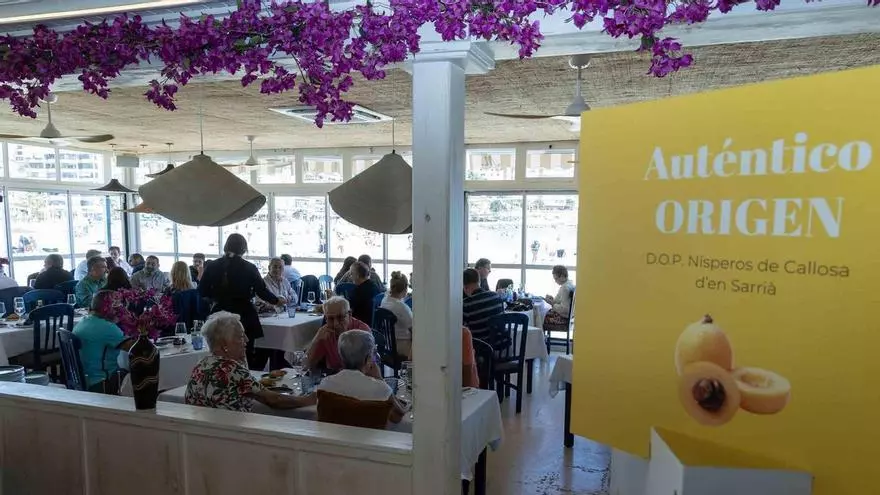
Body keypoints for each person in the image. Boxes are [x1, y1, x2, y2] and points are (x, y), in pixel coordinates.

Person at [185, 312, 316, 412]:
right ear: (225, 344)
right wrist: (309, 399)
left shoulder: (200, 365)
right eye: (241, 336)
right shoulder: (231, 370)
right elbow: (275, 400)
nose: (247, 340)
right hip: (228, 438)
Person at [199, 234, 287, 369]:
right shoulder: (249, 267)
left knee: (218, 354)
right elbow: (261, 290)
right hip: (244, 315)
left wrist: (217, 297)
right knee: (244, 355)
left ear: (225, 247)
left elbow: (202, 291)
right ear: (244, 249)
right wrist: (276, 301)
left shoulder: (212, 266)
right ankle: (246, 382)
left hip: (219, 314)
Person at [317, 330, 406, 424]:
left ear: (341, 357)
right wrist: (380, 379)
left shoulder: (326, 384)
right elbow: (398, 416)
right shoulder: (379, 388)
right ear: (368, 359)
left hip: (331, 437)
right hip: (368, 438)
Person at [72, 290, 134, 394]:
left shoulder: (83, 321)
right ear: (109, 307)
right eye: (117, 305)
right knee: (142, 372)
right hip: (101, 383)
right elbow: (134, 348)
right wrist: (129, 322)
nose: (120, 309)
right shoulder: (107, 328)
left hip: (82, 380)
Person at [306, 296, 369, 372]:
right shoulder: (325, 333)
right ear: (325, 318)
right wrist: (316, 340)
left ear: (350, 314)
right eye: (331, 318)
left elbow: (373, 361)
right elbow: (307, 365)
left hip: (358, 378)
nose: (335, 324)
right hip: (334, 377)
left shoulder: (362, 331)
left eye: (340, 317)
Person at [462, 268, 504, 342]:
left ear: (464, 286)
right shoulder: (496, 296)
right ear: (479, 281)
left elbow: (462, 329)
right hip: (503, 346)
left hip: (483, 348)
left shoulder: (466, 304)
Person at [379, 272, 413, 358]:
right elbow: (414, 329)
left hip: (388, 344)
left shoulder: (385, 300)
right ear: (405, 288)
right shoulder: (402, 308)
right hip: (402, 346)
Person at [349, 261, 380, 326]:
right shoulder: (375, 286)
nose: (350, 277)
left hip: (360, 324)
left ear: (357, 275)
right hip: (375, 324)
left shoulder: (358, 291)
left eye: (351, 274)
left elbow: (348, 308)